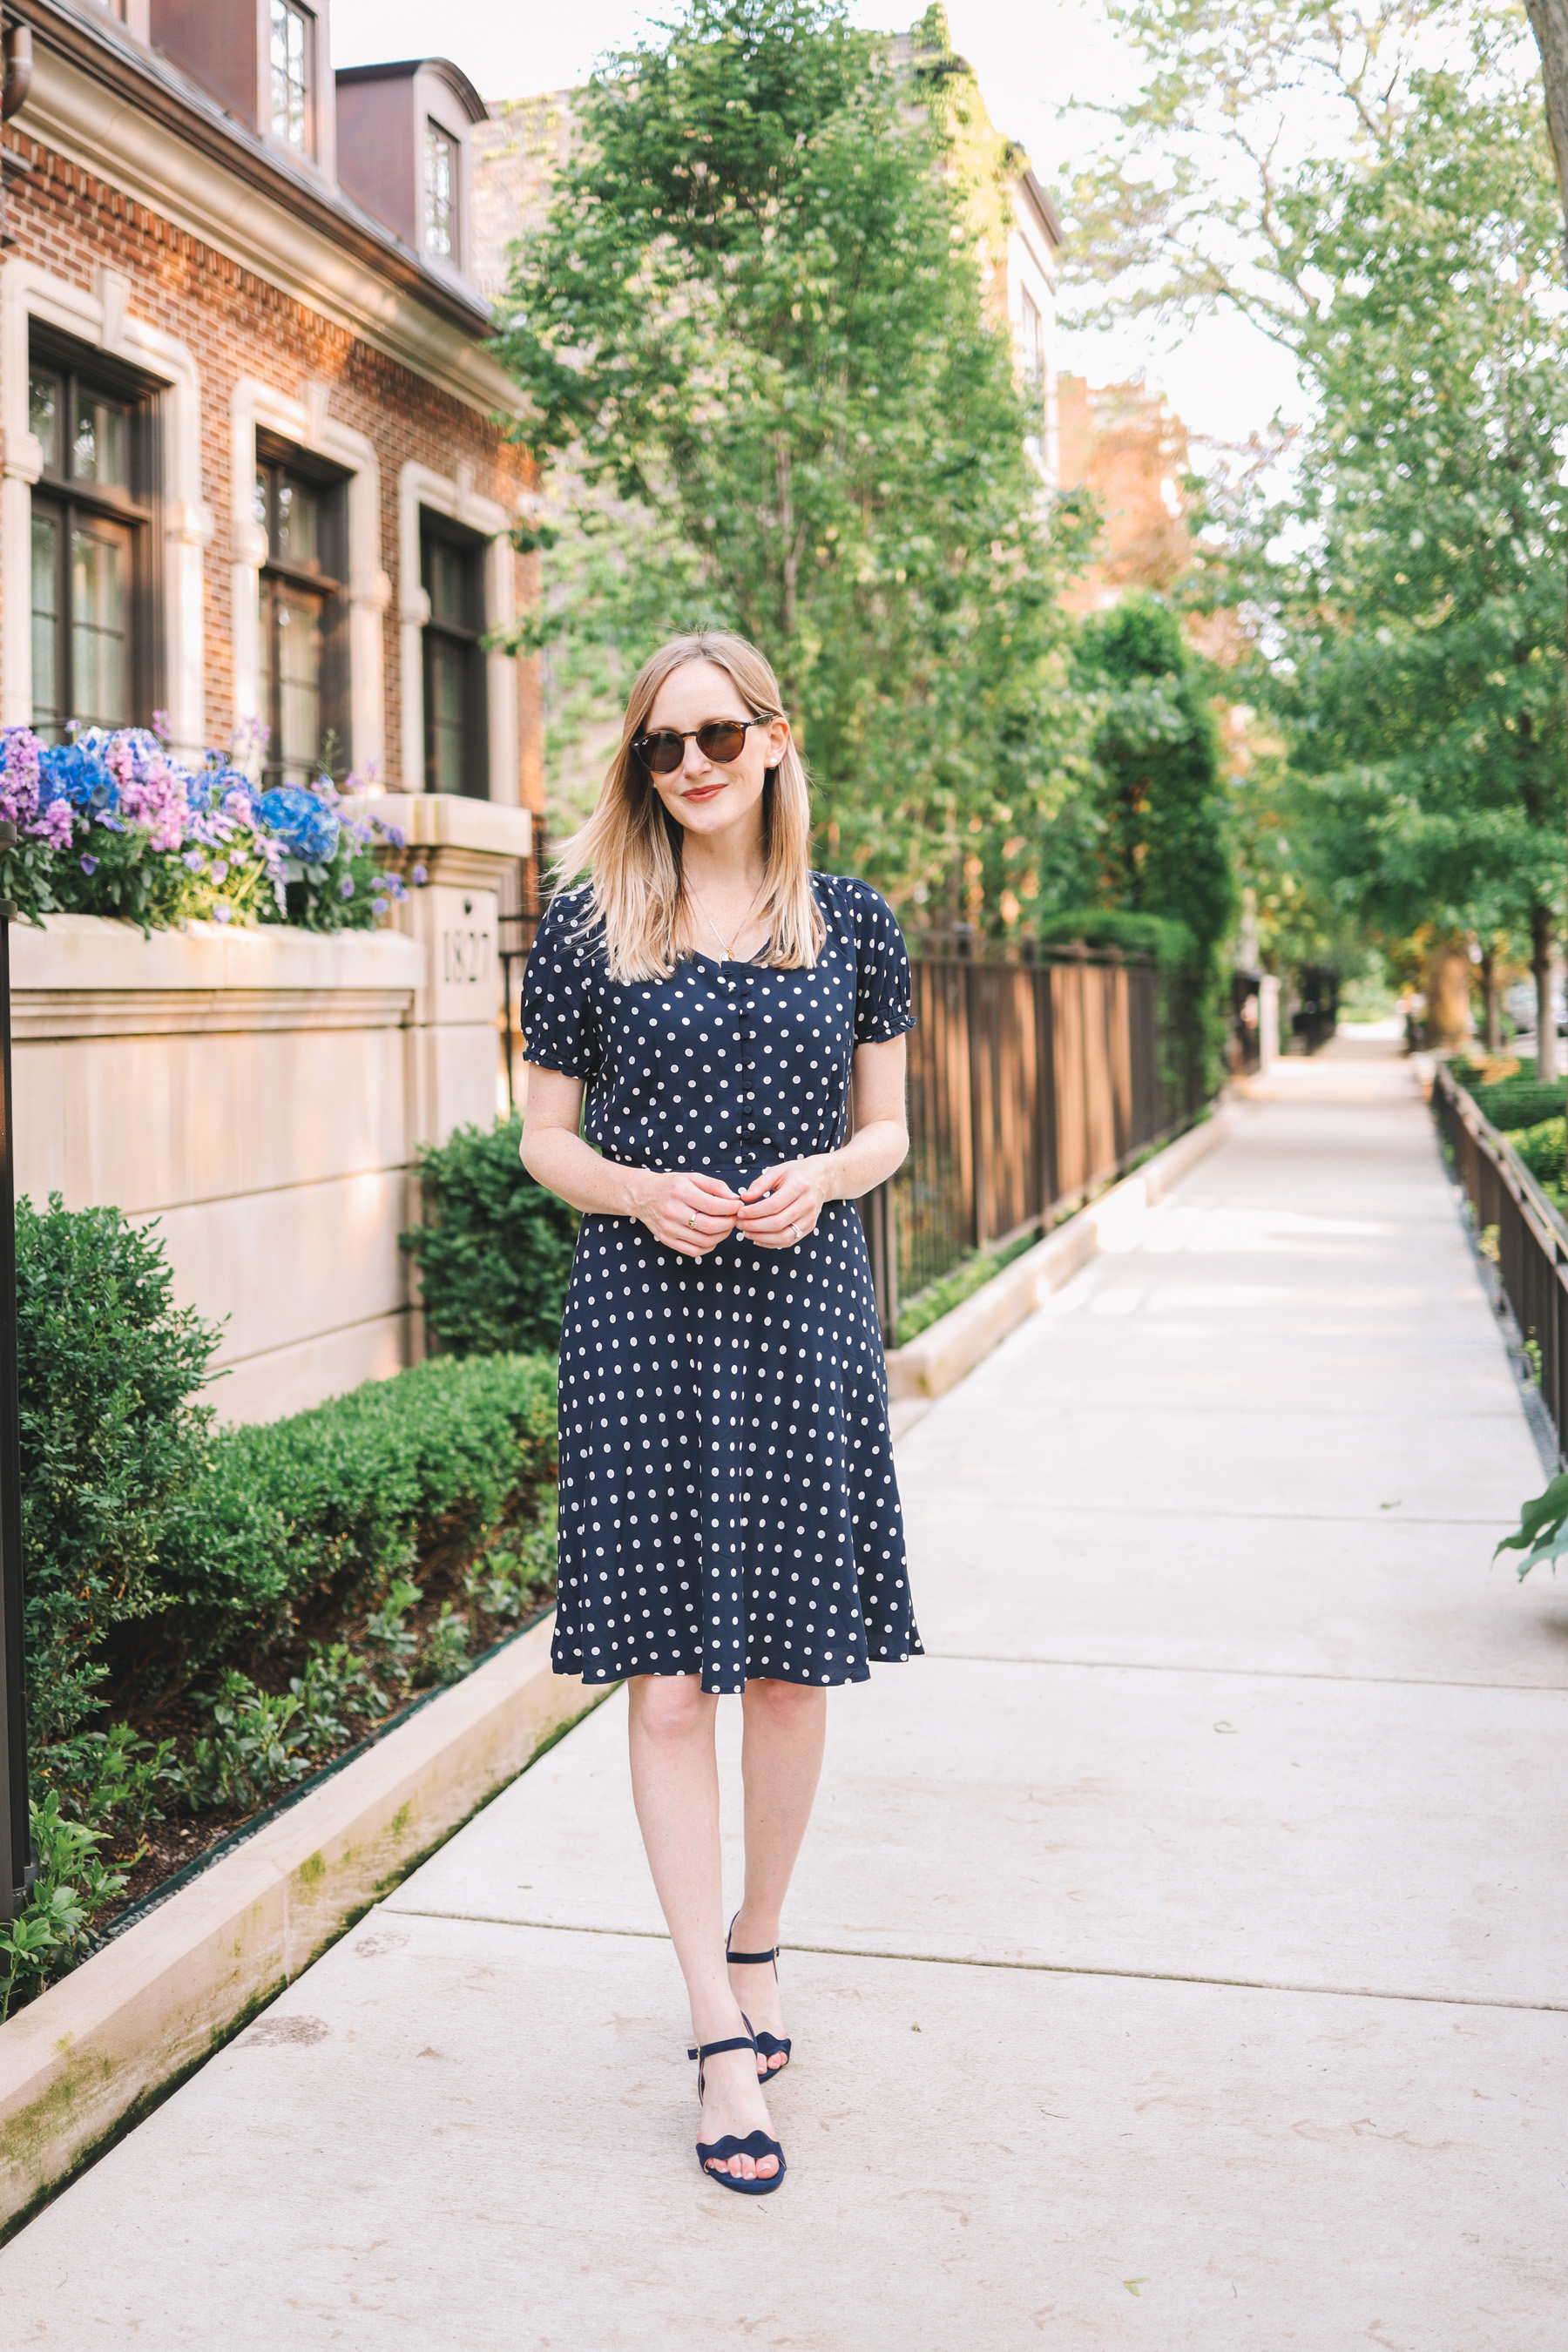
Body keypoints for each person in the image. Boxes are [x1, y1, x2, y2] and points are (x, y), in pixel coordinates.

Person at [517, 630, 921, 2195]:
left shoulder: (857, 925)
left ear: (771, 740)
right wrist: (635, 1192)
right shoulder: (586, 924)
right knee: (673, 1687)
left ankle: (761, 1944)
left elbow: (886, 1129)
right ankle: (712, 2029)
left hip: (805, 1308)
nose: (690, 765)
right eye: (661, 746)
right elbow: (543, 1140)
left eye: (716, 737)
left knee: (793, 1678)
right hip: (640, 1320)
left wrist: (824, 1176)